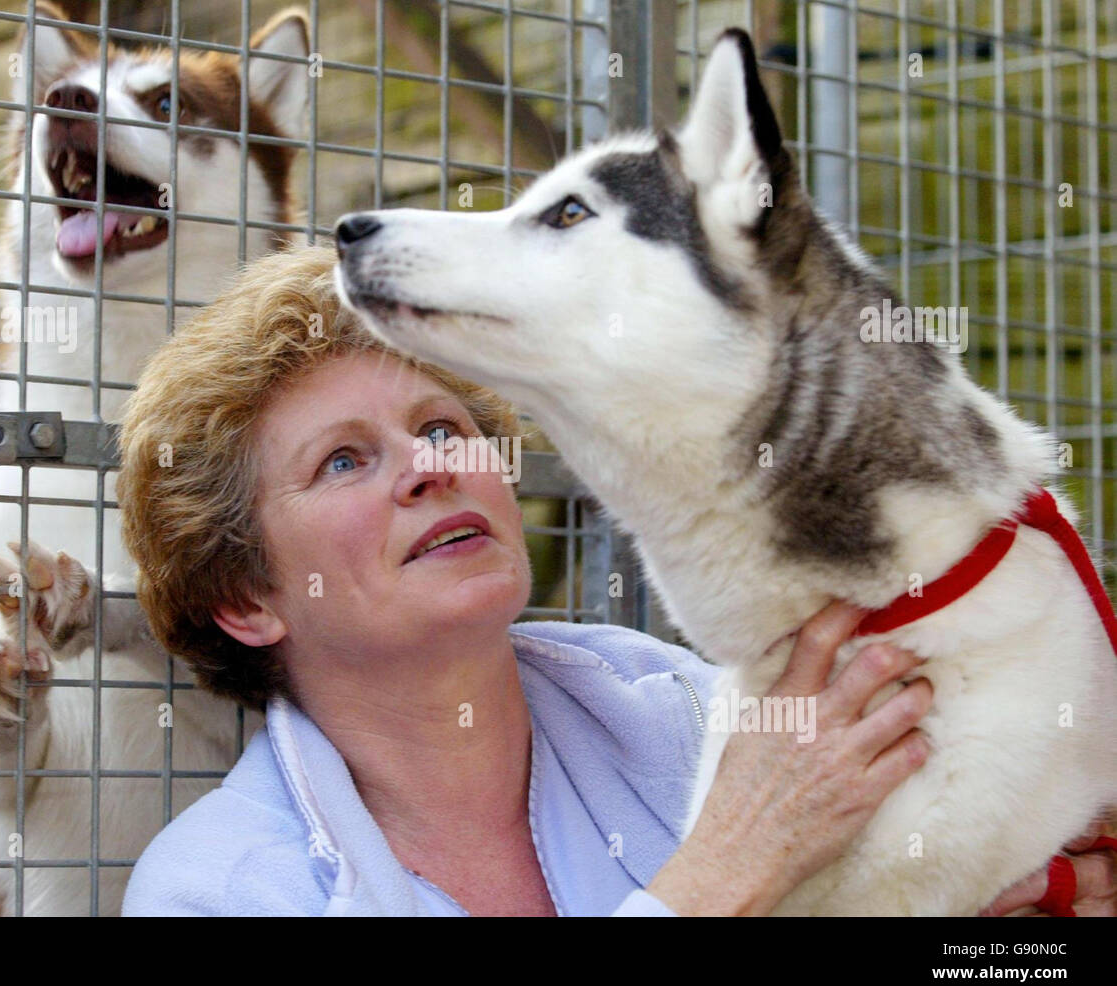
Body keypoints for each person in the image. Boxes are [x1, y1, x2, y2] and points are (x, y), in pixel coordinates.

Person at [116, 245, 1115, 916]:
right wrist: (727, 866)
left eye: (439, 428)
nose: (429, 465)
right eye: (342, 460)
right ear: (244, 598)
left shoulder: (695, 708)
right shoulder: (213, 889)